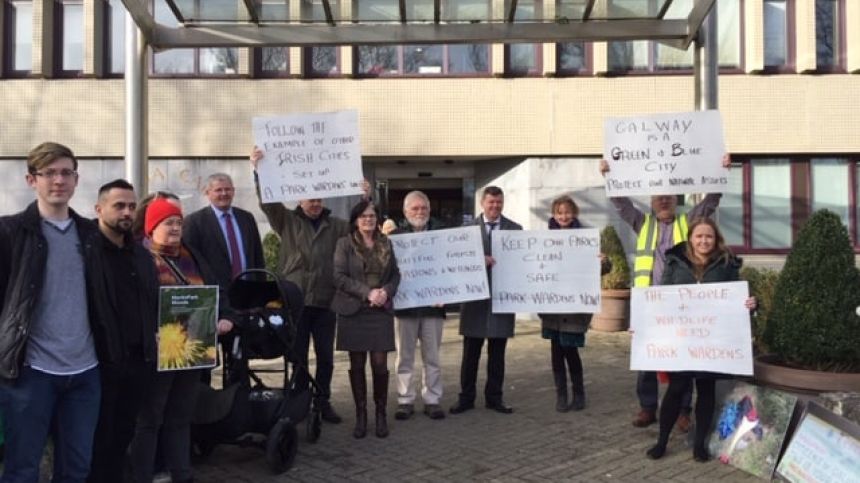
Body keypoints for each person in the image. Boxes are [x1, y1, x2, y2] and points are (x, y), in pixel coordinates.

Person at [0, 142, 119, 482]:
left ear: (76, 180)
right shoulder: (10, 233)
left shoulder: (92, 235)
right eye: (49, 173)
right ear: (30, 180)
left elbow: (107, 299)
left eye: (66, 172)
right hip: (30, 372)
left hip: (85, 373)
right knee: (23, 469)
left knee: (77, 469)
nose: (58, 180)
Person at [600, 155, 730, 429]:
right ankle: (648, 407)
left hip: (682, 302)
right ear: (651, 201)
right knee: (648, 355)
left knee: (681, 356)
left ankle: (683, 409)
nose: (663, 201)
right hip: (649, 302)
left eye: (668, 197)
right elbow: (621, 204)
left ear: (675, 201)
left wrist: (720, 172)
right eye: (659, 197)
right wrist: (609, 176)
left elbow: (709, 203)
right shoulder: (642, 222)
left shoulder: (689, 222)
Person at [129, 196, 235, 483]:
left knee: (180, 418)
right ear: (151, 227)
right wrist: (146, 330)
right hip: (157, 355)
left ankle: (182, 474)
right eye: (168, 222)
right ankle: (142, 476)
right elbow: (130, 304)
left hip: (192, 353)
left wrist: (225, 316)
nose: (175, 228)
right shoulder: (139, 258)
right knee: (149, 420)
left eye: (178, 222)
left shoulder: (193, 255)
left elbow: (216, 291)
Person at [250, 147, 356, 424]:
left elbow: (361, 225)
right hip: (295, 302)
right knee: (297, 356)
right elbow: (267, 203)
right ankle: (298, 402)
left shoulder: (337, 225)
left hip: (325, 301)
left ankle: (323, 402)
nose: (316, 202)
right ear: (300, 198)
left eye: (319, 198)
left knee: (325, 358)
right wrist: (259, 172)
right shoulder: (286, 220)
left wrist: (367, 196)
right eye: (311, 198)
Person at [645, 217, 756, 462]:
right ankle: (661, 441)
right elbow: (662, 298)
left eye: (709, 236)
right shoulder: (675, 261)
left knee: (706, 392)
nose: (704, 240)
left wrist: (749, 305)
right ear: (690, 238)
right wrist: (645, 325)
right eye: (699, 236)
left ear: (715, 239)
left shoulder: (726, 264)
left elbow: (735, 298)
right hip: (682, 340)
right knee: (676, 390)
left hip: (712, 342)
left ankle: (699, 445)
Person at [88, 180, 160, 483]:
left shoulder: (141, 255)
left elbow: (151, 301)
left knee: (123, 433)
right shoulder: (86, 252)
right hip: (99, 362)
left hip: (138, 360)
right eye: (119, 205)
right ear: (99, 209)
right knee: (97, 437)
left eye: (132, 206)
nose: (127, 212)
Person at [450, 186, 522, 415]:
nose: (495, 206)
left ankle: (494, 398)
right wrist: (477, 260)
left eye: (499, 202)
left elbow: (524, 263)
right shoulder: (467, 230)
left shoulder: (515, 229)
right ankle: (466, 398)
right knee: (470, 354)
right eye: (491, 202)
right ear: (482, 203)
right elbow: (456, 262)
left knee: (497, 355)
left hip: (502, 300)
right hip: (475, 302)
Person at [331, 201, 401, 439]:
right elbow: (339, 276)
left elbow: (395, 275)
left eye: (372, 216)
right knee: (357, 365)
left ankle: (380, 414)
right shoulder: (344, 243)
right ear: (355, 220)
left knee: (380, 365)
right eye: (363, 216)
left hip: (379, 312)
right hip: (354, 311)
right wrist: (367, 292)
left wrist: (385, 292)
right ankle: (361, 416)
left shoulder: (386, 242)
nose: (368, 220)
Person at [539, 195, 610, 413]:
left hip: (575, 308)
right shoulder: (542, 239)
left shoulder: (586, 239)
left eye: (567, 212)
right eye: (559, 212)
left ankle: (579, 394)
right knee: (556, 353)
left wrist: (604, 261)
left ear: (575, 214)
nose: (563, 216)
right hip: (552, 308)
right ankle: (561, 395)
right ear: (553, 214)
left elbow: (603, 270)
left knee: (571, 352)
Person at [391, 191, 447, 421]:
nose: (419, 212)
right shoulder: (393, 236)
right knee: (404, 357)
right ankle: (405, 400)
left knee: (432, 357)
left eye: (423, 208)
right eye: (414, 208)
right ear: (405, 212)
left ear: (429, 210)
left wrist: (448, 292)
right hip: (405, 308)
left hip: (434, 306)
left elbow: (454, 268)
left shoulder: (444, 236)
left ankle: (432, 399)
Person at [182, 173, 265, 291]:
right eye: (218, 190)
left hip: (249, 291)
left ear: (233, 191)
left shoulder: (246, 218)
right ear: (208, 193)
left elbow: (257, 256)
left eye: (227, 189)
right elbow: (190, 262)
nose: (224, 194)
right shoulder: (195, 222)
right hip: (216, 292)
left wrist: (261, 289)